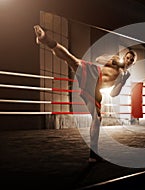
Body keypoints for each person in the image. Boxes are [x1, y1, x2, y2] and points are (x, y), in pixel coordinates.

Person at [33, 25, 136, 163]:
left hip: (96, 90)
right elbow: (99, 59)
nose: (128, 61)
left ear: (133, 63)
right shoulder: (116, 60)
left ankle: (93, 154)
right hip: (94, 74)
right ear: (125, 56)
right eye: (127, 57)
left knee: (97, 119)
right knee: (72, 60)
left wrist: (122, 81)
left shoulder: (125, 75)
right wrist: (113, 59)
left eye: (131, 60)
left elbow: (113, 94)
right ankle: (45, 39)